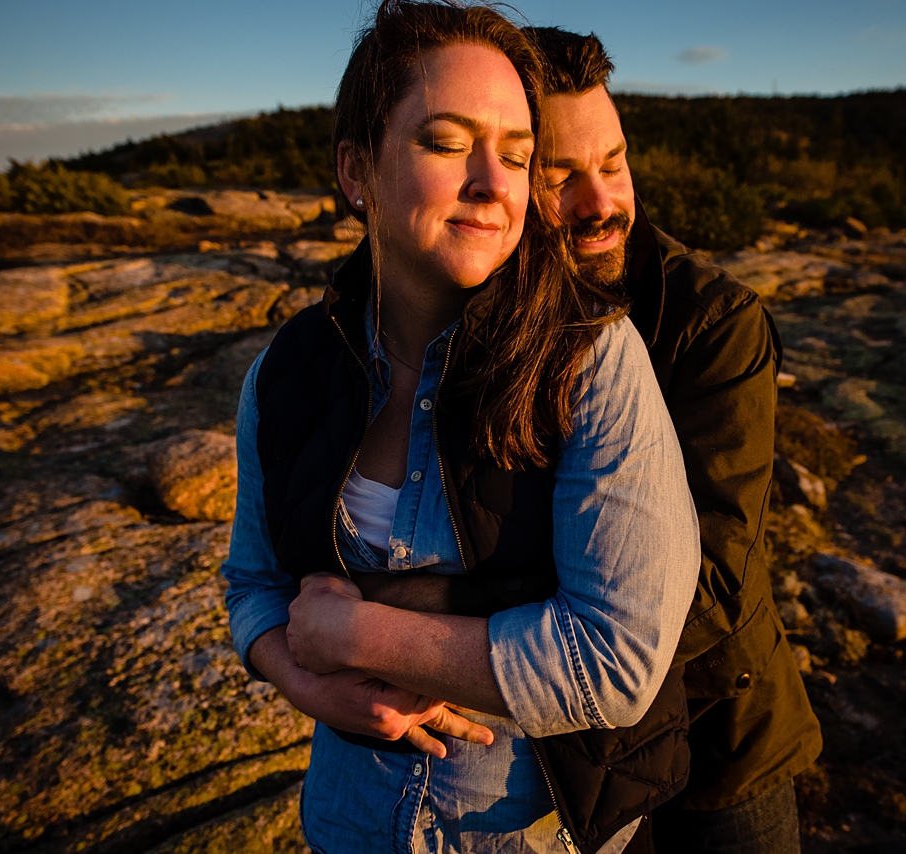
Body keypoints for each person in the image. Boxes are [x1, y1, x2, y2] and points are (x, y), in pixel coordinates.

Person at [222, 3, 699, 852]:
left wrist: (364, 634)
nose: (492, 183)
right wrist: (307, 682)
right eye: (447, 144)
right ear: (356, 168)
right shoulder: (285, 373)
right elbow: (253, 585)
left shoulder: (590, 358)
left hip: (530, 831)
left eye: (517, 155)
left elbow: (617, 661)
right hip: (348, 822)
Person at [523, 27, 824, 854]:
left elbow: (712, 577)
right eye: (561, 176)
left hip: (720, 739)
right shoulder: (492, 316)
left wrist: (480, 667)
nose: (601, 202)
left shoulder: (713, 322)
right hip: (566, 761)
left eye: (613, 162)